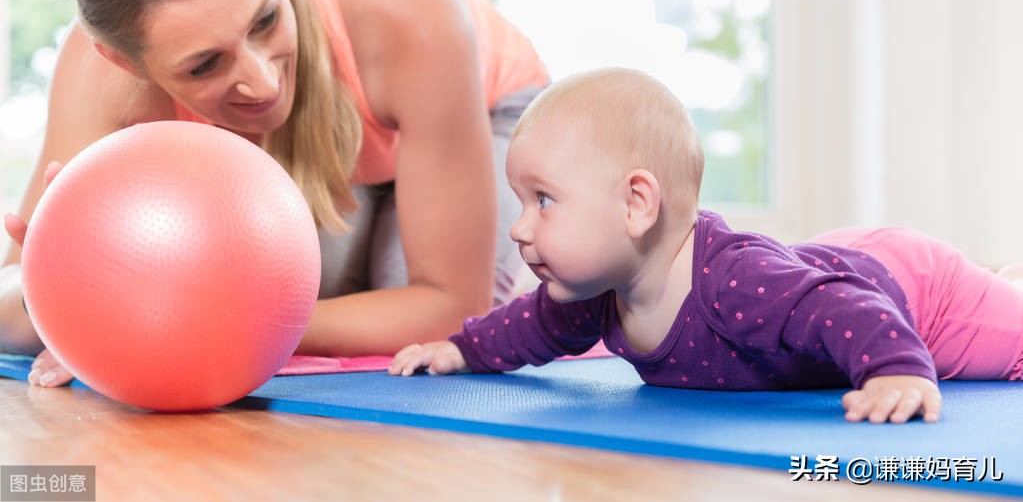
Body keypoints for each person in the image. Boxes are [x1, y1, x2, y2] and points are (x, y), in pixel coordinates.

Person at [0, 0, 549, 386]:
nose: (263, 84)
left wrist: (211, 319)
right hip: (325, 159)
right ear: (125, 61)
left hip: (485, 105)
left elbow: (447, 303)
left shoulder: (406, 4)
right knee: (300, 286)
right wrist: (63, 296)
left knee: (388, 326)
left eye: (265, 18)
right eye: (204, 64)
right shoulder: (101, 75)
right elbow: (13, 299)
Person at [389, 67, 1023, 424]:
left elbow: (846, 309)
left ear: (636, 204)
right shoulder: (593, 295)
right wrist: (460, 349)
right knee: (797, 290)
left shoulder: (735, 283)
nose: (520, 229)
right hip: (817, 265)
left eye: (544, 201)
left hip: (910, 290)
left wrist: (897, 370)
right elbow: (527, 328)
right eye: (522, 203)